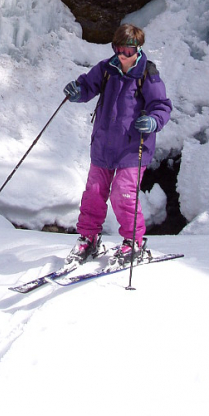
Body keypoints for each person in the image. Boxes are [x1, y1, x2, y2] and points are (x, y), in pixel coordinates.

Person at [63, 23, 172, 266]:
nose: (123, 55)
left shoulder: (147, 74)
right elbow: (87, 87)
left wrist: (154, 121)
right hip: (103, 144)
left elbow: (162, 106)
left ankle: (134, 242)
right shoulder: (106, 69)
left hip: (133, 148)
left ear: (138, 49)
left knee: (123, 194)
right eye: (119, 49)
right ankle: (88, 239)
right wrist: (76, 91)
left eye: (129, 51)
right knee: (93, 193)